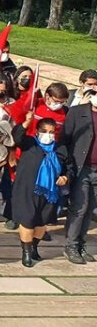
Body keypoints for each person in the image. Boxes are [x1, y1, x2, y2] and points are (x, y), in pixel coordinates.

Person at [9, 109, 66, 267]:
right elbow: (17, 137)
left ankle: (34, 247)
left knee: (41, 222)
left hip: (49, 192)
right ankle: (26, 252)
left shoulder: (59, 149)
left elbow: (68, 167)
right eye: (44, 131)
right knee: (27, 220)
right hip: (27, 190)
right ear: (37, 131)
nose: (48, 135)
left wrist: (65, 177)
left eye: (51, 132)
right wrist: (26, 122)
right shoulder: (30, 143)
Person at [62, 85, 97, 264]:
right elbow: (65, 140)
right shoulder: (77, 112)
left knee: (90, 208)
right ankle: (71, 245)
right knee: (79, 207)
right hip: (81, 167)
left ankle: (81, 244)